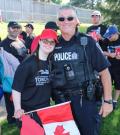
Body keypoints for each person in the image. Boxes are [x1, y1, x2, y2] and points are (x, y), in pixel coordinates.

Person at [50, 5, 113, 135]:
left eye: (70, 18)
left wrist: (107, 101)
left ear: (77, 21)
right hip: (61, 103)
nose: (65, 21)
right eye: (61, 19)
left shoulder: (87, 42)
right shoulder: (51, 44)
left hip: (86, 102)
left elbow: (104, 72)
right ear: (57, 23)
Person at [12, 29, 57, 125]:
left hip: (44, 110)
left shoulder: (51, 63)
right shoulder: (28, 63)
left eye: (52, 42)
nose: (48, 44)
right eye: (45, 41)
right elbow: (16, 88)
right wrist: (18, 109)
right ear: (40, 41)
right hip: (28, 112)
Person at [0, 21, 27, 124]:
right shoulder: (3, 44)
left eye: (17, 27)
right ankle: (12, 120)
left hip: (23, 75)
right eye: (13, 27)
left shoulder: (21, 42)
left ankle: (22, 117)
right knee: (10, 100)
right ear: (8, 29)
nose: (15, 29)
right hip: (10, 77)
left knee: (21, 98)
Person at [103, 25, 120, 109]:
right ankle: (107, 99)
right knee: (107, 83)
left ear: (115, 34)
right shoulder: (106, 40)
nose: (108, 37)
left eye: (110, 35)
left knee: (118, 84)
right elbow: (102, 51)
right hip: (109, 65)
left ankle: (115, 101)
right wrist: (109, 54)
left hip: (119, 67)